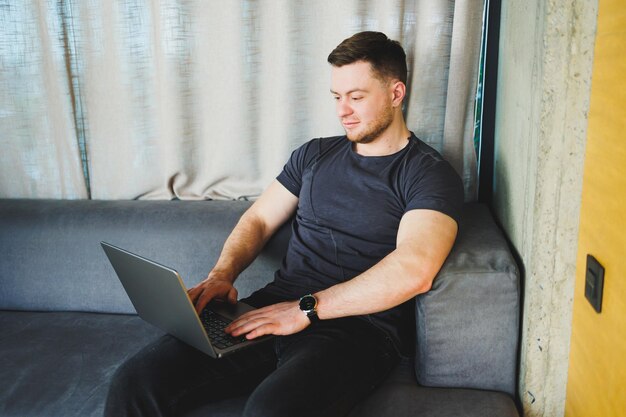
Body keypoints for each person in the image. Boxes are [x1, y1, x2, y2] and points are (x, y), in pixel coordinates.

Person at [105, 31, 463, 417]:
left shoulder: (428, 173)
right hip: (272, 307)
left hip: (358, 329)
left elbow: (415, 269)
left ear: (396, 94)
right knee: (136, 380)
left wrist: (306, 309)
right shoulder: (314, 154)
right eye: (337, 97)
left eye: (356, 97)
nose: (343, 110)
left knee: (270, 410)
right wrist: (221, 274)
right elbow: (258, 219)